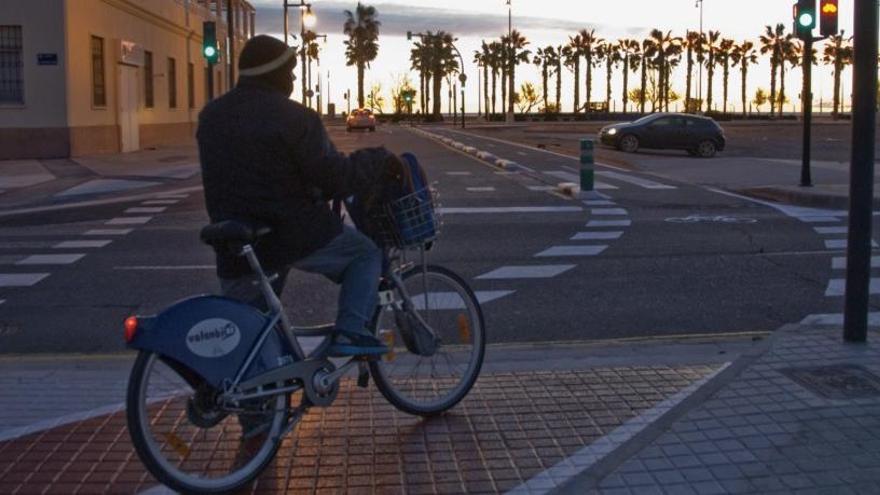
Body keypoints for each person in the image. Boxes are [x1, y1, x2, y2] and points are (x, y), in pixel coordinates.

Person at [197, 35, 397, 357]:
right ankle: (349, 333)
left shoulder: (211, 116)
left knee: (253, 343)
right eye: (289, 73)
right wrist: (370, 162)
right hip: (290, 233)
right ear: (274, 74)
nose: (292, 79)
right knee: (365, 255)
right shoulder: (295, 118)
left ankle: (258, 402)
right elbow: (332, 176)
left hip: (232, 239)